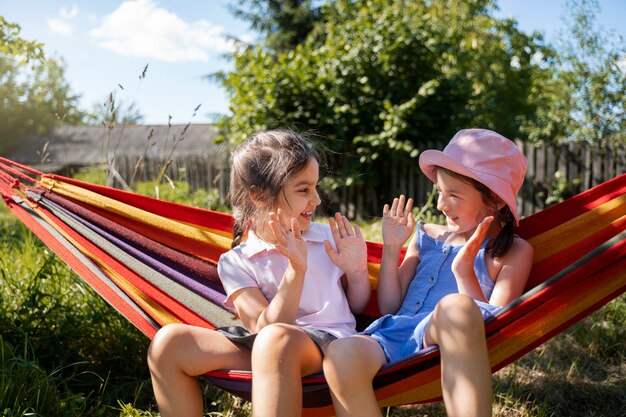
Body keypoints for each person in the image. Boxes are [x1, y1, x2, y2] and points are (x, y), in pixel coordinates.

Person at [147, 129, 371, 417]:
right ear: (260, 196)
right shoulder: (235, 262)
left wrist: (357, 272)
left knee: (277, 341)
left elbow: (359, 306)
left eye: (315, 187)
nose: (316, 199)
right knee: (169, 344)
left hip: (331, 341)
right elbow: (262, 329)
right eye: (303, 190)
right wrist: (296, 270)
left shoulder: (327, 239)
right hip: (266, 341)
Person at [323, 128, 535, 417]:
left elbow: (493, 325)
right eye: (439, 192)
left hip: (447, 331)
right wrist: (392, 247)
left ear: (496, 201)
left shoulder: (512, 251)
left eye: (454, 195)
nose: (440, 205)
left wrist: (464, 272)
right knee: (341, 353)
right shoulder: (426, 235)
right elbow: (389, 306)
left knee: (456, 306)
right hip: (394, 335)